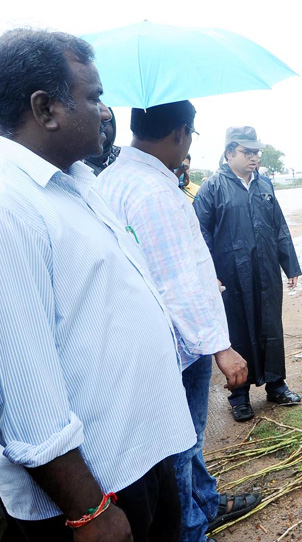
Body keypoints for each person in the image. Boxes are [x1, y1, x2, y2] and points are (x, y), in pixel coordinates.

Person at [0, 29, 196, 541]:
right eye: (94, 97)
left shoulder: (78, 180)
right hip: (94, 491)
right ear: (46, 110)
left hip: (139, 457)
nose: (106, 112)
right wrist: (88, 510)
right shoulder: (9, 205)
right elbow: (24, 387)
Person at [96, 102, 261, 542]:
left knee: (182, 440)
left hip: (144, 339)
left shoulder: (110, 179)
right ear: (180, 134)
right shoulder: (154, 191)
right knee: (180, 442)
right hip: (176, 345)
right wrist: (221, 346)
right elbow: (177, 282)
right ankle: (192, 528)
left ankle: (206, 503)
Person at [194, 126, 302, 422]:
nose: (254, 157)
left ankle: (276, 385)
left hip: (266, 271)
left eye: (257, 152)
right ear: (229, 153)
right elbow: (199, 234)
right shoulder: (212, 188)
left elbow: (279, 226)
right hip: (231, 275)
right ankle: (239, 396)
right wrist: (210, 275)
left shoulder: (265, 185)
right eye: (247, 151)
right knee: (237, 330)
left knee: (271, 326)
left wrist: (289, 265)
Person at [83, 106, 120, 175]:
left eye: (105, 122)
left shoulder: (122, 157)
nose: (100, 127)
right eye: (94, 121)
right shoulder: (75, 164)